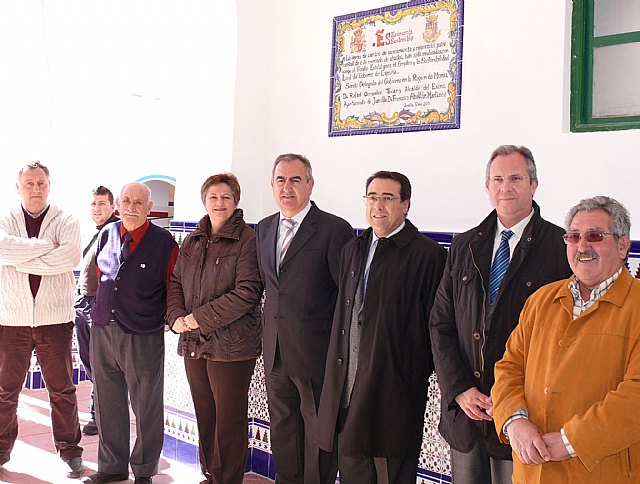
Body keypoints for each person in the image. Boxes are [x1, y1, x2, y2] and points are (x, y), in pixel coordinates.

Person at [429, 145, 571, 484]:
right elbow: (440, 324)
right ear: (487, 186)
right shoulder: (464, 245)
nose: (505, 187)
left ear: (534, 185)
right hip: (466, 415)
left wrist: (514, 399)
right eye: (497, 179)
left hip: (524, 418)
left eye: (516, 178)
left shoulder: (559, 246)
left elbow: (566, 336)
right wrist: (460, 388)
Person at [491, 196, 639, 483]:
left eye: (595, 236)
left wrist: (571, 440)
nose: (582, 247)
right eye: (573, 236)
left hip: (603, 473)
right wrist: (515, 422)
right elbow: (509, 367)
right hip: (532, 472)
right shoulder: (540, 300)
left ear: (623, 245)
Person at [317, 171, 447, 484]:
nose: (378, 205)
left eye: (388, 198)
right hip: (347, 390)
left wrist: (407, 370)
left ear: (406, 205)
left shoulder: (428, 256)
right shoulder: (354, 249)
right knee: (353, 472)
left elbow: (436, 326)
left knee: (390, 473)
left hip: (394, 395)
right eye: (372, 197)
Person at [256, 153, 354, 484]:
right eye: (281, 180)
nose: (287, 187)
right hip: (276, 353)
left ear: (310, 185)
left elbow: (347, 297)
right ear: (272, 185)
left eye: (296, 180)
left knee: (319, 436)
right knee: (283, 432)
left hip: (317, 355)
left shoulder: (333, 229)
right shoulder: (265, 227)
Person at [167, 173, 263, 484]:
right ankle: (210, 475)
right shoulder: (193, 240)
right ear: (204, 201)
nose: (219, 202)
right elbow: (176, 283)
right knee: (206, 414)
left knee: (229, 420)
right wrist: (176, 317)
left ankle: (228, 479)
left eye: (225, 197)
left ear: (235, 201)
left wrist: (200, 317)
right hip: (194, 342)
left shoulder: (248, 240)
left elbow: (248, 292)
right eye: (213, 197)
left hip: (233, 346)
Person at [83, 182, 178, 484]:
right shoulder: (107, 234)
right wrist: (94, 311)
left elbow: (173, 289)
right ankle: (111, 468)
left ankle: (144, 471)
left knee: (146, 405)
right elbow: (97, 277)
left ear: (150, 208)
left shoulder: (165, 243)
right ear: (118, 205)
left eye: (139, 203)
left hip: (143, 335)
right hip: (103, 330)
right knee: (109, 402)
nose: (132, 207)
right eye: (127, 201)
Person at [0, 161, 84, 478]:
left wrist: (20, 257)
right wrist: (46, 248)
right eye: (29, 183)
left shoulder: (66, 219)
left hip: (55, 320)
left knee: (62, 389)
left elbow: (69, 257)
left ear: (49, 186)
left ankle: (71, 452)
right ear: (18, 186)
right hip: (11, 319)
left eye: (41, 183)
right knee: (5, 391)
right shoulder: (5, 218)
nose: (36, 188)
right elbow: (1, 248)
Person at [75, 186, 118, 436]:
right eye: (93, 204)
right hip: (84, 303)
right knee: (90, 362)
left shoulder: (113, 232)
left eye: (102, 203)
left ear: (113, 207)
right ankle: (99, 412)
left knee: (101, 364)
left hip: (97, 306)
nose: (97, 208)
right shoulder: (97, 233)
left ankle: (98, 415)